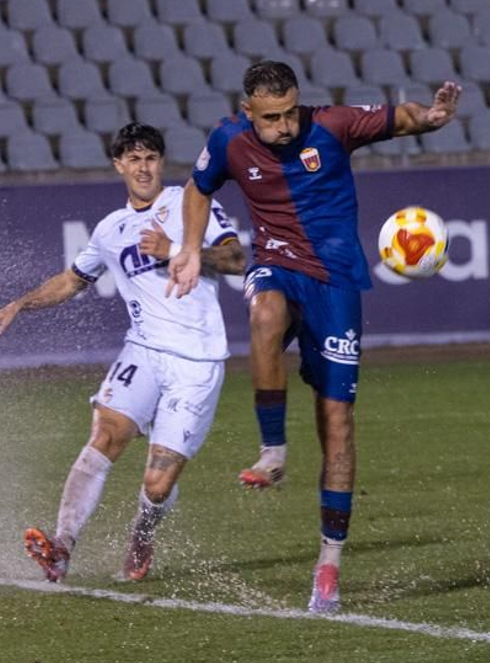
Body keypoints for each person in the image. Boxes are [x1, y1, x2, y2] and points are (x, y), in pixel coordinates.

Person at [166, 61, 461, 614]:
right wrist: (187, 245)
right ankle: (273, 449)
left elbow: (405, 118)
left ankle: (328, 564)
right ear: (247, 111)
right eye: (271, 118)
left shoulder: (334, 124)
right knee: (264, 316)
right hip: (277, 264)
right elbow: (196, 187)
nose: (284, 127)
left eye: (289, 113)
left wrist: (434, 116)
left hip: (337, 283)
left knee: (338, 422)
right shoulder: (229, 140)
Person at [0, 124, 245, 584]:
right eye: (134, 159)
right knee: (105, 434)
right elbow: (71, 280)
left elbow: (236, 259)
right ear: (119, 166)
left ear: (161, 163)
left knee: (157, 484)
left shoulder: (191, 204)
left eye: (151, 158)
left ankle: (142, 534)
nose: (143, 167)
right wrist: (18, 305)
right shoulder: (110, 229)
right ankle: (61, 548)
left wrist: (176, 251)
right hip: (143, 350)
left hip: (196, 361)